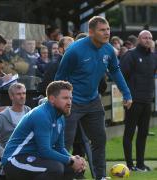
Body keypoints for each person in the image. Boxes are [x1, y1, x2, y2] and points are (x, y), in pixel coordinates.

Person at [55, 16, 132, 180]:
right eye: (102, 30)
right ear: (91, 32)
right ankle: (62, 176)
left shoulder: (109, 50)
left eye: (108, 29)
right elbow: (59, 78)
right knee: (64, 143)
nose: (107, 33)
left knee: (99, 139)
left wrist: (127, 94)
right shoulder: (74, 51)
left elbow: (116, 71)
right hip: (72, 102)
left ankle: (101, 176)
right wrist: (57, 102)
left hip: (93, 101)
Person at [1, 81, 86, 180]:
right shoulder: (41, 115)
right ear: (52, 99)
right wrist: (71, 161)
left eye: (70, 98)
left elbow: (60, 147)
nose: (69, 102)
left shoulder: (60, 117)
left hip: (34, 158)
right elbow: (45, 151)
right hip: (14, 161)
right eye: (65, 98)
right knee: (55, 169)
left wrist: (74, 159)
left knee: (70, 168)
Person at [120, 30, 157, 172]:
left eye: (150, 38)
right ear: (139, 39)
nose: (147, 40)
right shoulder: (131, 55)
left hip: (147, 100)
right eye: (145, 37)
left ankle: (141, 164)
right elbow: (122, 76)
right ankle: (129, 165)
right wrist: (127, 96)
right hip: (132, 101)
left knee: (143, 133)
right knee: (129, 133)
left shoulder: (153, 56)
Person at [0, 83, 31, 159]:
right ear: (11, 96)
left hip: (28, 153)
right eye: (18, 94)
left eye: (24, 93)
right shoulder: (3, 116)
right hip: (10, 155)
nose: (22, 96)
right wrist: (0, 150)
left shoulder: (29, 112)